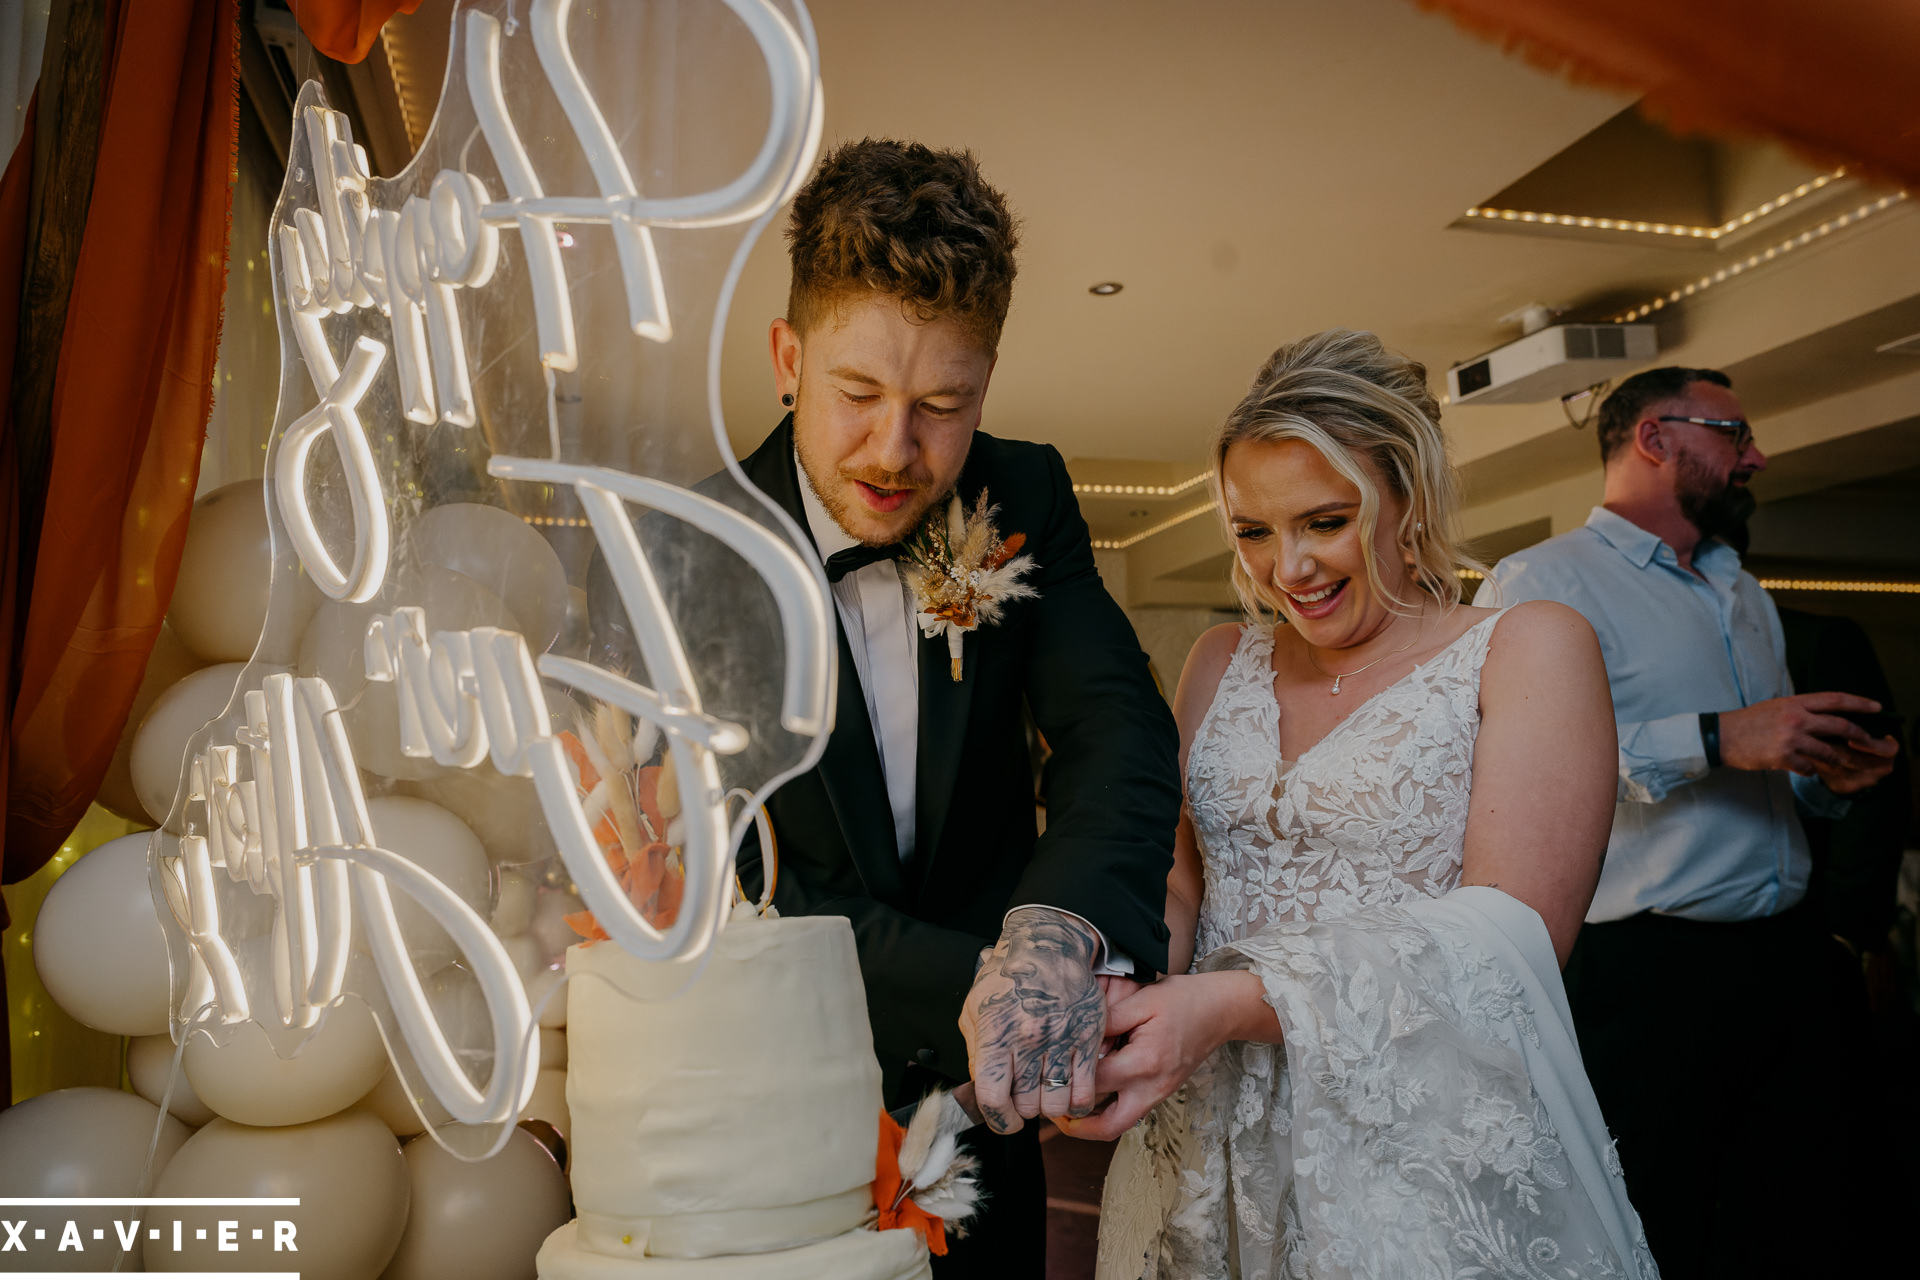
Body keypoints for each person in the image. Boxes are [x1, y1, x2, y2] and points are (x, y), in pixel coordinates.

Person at [1073, 329, 1657, 1279]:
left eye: (1324, 521)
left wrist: (1227, 1003)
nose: (1287, 568)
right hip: (1209, 1128)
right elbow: (1178, 886)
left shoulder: (1528, 646)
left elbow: (1510, 937)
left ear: (1408, 498)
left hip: (1415, 1142)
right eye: (1252, 532)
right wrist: (1108, 984)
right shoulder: (1220, 661)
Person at [730, 139, 1180, 1276]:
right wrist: (995, 979)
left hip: (994, 1125)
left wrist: (1056, 935)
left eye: (943, 403)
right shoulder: (687, 554)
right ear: (789, 357)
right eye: (858, 393)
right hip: (770, 1110)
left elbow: (1114, 730)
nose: (896, 450)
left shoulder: (1020, 492)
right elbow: (734, 881)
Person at [1488, 367, 1901, 1277]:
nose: (1755, 455)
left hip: (1789, 956)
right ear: (1653, 439)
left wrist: (1831, 780)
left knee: (1803, 1211)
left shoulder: (1742, 593)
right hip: (1648, 969)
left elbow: (1769, 777)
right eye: (1733, 433)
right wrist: (1721, 735)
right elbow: (1528, 766)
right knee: (1653, 1219)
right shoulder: (1544, 580)